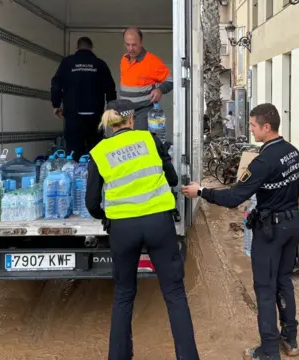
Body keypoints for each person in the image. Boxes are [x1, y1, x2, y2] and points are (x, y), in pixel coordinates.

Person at [182, 103, 299, 360]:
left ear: (266, 127)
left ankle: (269, 350)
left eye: (252, 126)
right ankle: (290, 339)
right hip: (292, 224)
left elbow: (235, 197)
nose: (250, 129)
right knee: (283, 281)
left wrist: (201, 192)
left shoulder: (263, 161)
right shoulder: (292, 152)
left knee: (265, 288)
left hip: (271, 230)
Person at [85, 100, 199, 360]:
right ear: (131, 120)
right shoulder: (150, 139)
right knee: (174, 293)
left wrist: (106, 216)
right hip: (159, 223)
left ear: (110, 123)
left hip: (122, 229)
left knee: (124, 294)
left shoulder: (99, 151)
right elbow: (171, 178)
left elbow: (91, 202)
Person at [51, 36, 117, 161]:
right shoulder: (100, 64)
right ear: (92, 48)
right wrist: (109, 108)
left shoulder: (67, 63)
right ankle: (95, 178)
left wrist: (56, 104)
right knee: (96, 152)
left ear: (77, 47)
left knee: (73, 152)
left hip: (73, 115)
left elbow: (56, 85)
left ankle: (76, 175)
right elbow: (110, 88)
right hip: (95, 115)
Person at [119, 28, 173, 130]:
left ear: (141, 42)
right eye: (127, 44)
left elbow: (171, 80)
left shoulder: (152, 61)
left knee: (140, 143)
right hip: (125, 113)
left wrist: (160, 90)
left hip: (143, 112)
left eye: (134, 44)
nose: (130, 49)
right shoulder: (124, 59)